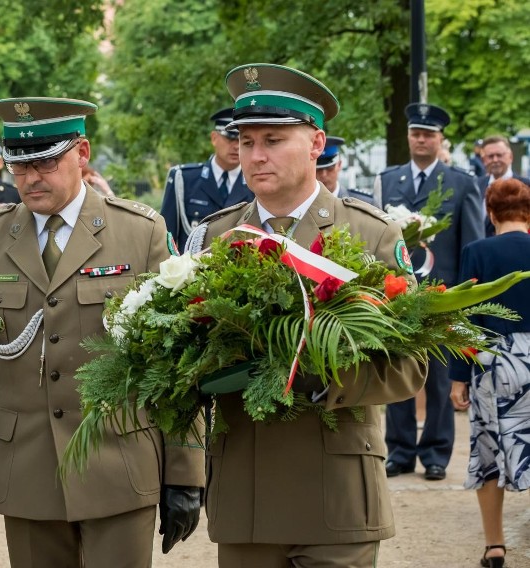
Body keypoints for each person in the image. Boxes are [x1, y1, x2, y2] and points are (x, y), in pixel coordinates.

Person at [0, 97, 204, 565]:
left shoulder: (140, 233)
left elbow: (177, 360)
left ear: (82, 153)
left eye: (46, 161)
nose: (31, 177)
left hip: (120, 462)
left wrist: (185, 470)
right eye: (19, 165)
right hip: (28, 474)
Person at [184, 63, 427, 567]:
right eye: (246, 142)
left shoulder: (370, 235)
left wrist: (318, 377)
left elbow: (410, 365)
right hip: (246, 495)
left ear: (317, 144)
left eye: (273, 139)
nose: (255, 155)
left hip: (335, 489)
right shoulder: (212, 238)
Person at [377, 103, 484, 481]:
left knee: (439, 376)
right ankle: (400, 450)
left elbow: (472, 241)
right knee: (398, 369)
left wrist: (466, 295)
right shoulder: (388, 181)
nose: (421, 139)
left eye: (428, 135)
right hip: (399, 292)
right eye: (415, 133)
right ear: (408, 137)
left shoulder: (462, 182)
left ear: (440, 140)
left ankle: (437, 453)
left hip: (443, 292)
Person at [449, 178, 530, 568]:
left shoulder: (476, 251)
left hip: (493, 361)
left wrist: (458, 377)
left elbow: (465, 318)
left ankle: (495, 546)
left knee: (488, 450)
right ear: (528, 213)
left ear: (491, 212)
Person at [161, 107, 254, 252]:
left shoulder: (256, 182)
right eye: (229, 138)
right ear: (214, 138)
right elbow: (167, 237)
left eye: (241, 139)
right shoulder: (184, 179)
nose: (236, 146)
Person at [476, 135, 530, 238]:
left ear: (510, 157)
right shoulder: (476, 186)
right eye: (490, 156)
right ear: (483, 160)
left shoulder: (526, 186)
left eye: (499, 155)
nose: (495, 160)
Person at [315, 136, 376, 205]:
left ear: (339, 165)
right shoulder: (303, 202)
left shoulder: (364, 203)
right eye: (318, 169)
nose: (324, 174)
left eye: (330, 168)